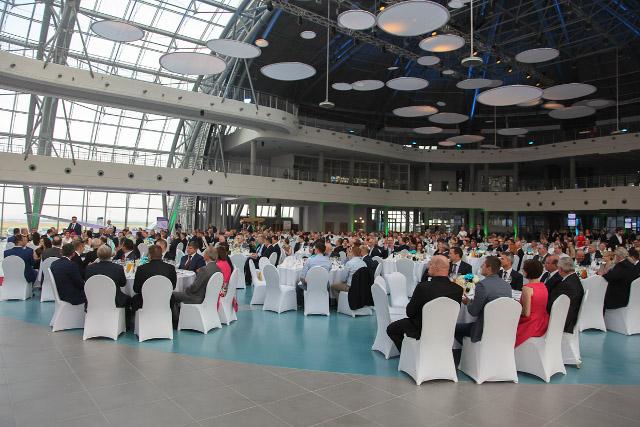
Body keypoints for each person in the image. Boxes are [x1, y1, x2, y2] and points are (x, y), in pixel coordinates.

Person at [387, 255, 463, 352]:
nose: (428, 266)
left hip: (422, 330)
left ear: (436, 267)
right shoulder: (458, 290)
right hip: (445, 331)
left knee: (391, 329)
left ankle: (409, 354)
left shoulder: (423, 287)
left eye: (430, 264)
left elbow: (410, 313)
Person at [454, 256, 512, 345]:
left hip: (483, 329)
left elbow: (473, 312)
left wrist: (468, 302)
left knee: (454, 328)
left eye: (483, 264)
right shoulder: (507, 285)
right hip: (502, 329)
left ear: (489, 268)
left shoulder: (482, 285)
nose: (481, 266)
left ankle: (469, 350)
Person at [170, 246, 221, 325]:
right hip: (210, 298)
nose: (203, 255)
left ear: (207, 256)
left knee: (172, 295)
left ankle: (176, 321)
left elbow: (194, 288)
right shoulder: (218, 269)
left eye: (204, 254)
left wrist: (185, 290)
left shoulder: (204, 270)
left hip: (197, 297)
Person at [131, 245, 177, 312]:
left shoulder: (141, 269)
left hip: (144, 301)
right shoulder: (171, 268)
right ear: (161, 255)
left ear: (149, 255)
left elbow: (136, 289)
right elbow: (173, 286)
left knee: (133, 299)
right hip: (166, 301)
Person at [515, 260, 549, 347]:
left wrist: (515, 309)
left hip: (531, 324)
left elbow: (526, 314)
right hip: (543, 322)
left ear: (527, 272)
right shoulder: (543, 285)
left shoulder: (527, 288)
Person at [84, 245, 131, 309]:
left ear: (98, 255)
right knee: (129, 299)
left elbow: (87, 283)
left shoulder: (89, 268)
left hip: (94, 300)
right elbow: (123, 284)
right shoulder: (118, 268)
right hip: (114, 300)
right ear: (110, 255)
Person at [547, 257, 584, 334]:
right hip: (570, 315)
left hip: (564, 321)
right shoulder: (574, 279)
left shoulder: (566, 284)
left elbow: (552, 304)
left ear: (560, 269)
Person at [296, 239, 332, 306]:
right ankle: (327, 303)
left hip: (311, 285)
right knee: (328, 283)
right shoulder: (329, 261)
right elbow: (327, 273)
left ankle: (301, 304)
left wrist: (305, 282)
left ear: (317, 250)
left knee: (298, 285)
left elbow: (302, 277)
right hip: (323, 285)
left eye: (315, 249)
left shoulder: (310, 260)